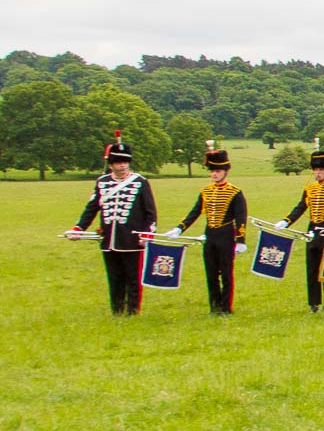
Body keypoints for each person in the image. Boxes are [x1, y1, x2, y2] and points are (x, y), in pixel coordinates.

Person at [68, 129, 157, 316]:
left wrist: (148, 233)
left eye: (125, 162)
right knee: (115, 277)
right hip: (110, 240)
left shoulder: (140, 182)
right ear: (111, 164)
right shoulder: (102, 182)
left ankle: (133, 311)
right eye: (118, 162)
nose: (122, 166)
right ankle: (117, 310)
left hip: (132, 240)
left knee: (133, 278)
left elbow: (150, 212)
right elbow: (92, 208)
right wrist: (79, 228)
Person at [171, 142, 248, 315]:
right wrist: (180, 228)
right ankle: (214, 306)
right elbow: (195, 212)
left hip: (226, 235)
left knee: (226, 274)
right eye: (212, 171)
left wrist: (240, 240)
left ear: (226, 172)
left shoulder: (235, 192)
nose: (214, 174)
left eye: (218, 171)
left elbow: (241, 217)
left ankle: (226, 307)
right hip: (210, 235)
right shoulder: (205, 191)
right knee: (211, 273)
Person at [277, 141, 324, 312]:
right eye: (316, 170)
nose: (318, 173)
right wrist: (286, 221)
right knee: (312, 268)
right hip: (312, 230)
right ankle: (313, 302)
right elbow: (300, 208)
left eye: (321, 170)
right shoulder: (309, 189)